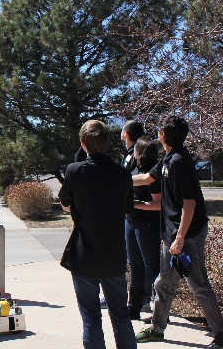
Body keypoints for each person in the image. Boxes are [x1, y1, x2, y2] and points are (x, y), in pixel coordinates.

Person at [133, 115, 223, 349]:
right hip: (173, 234)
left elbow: (190, 203)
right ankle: (157, 328)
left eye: (159, 130)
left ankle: (221, 334)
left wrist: (181, 238)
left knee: (198, 284)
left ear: (163, 135)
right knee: (163, 283)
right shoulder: (167, 160)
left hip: (188, 233)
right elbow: (144, 178)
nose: (157, 133)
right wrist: (117, 179)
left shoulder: (179, 163)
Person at [59, 120, 136, 349]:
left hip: (85, 253)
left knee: (91, 316)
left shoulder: (75, 171)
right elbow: (128, 208)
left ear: (83, 144)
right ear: (106, 143)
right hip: (114, 253)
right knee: (121, 315)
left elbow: (65, 204)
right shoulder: (123, 174)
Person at [126, 137, 161, 320]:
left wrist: (136, 205)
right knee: (135, 265)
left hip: (147, 224)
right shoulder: (136, 169)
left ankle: (159, 311)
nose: (133, 152)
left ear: (141, 152)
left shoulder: (153, 174)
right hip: (131, 221)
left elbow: (158, 204)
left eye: (136, 150)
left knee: (152, 266)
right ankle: (133, 306)